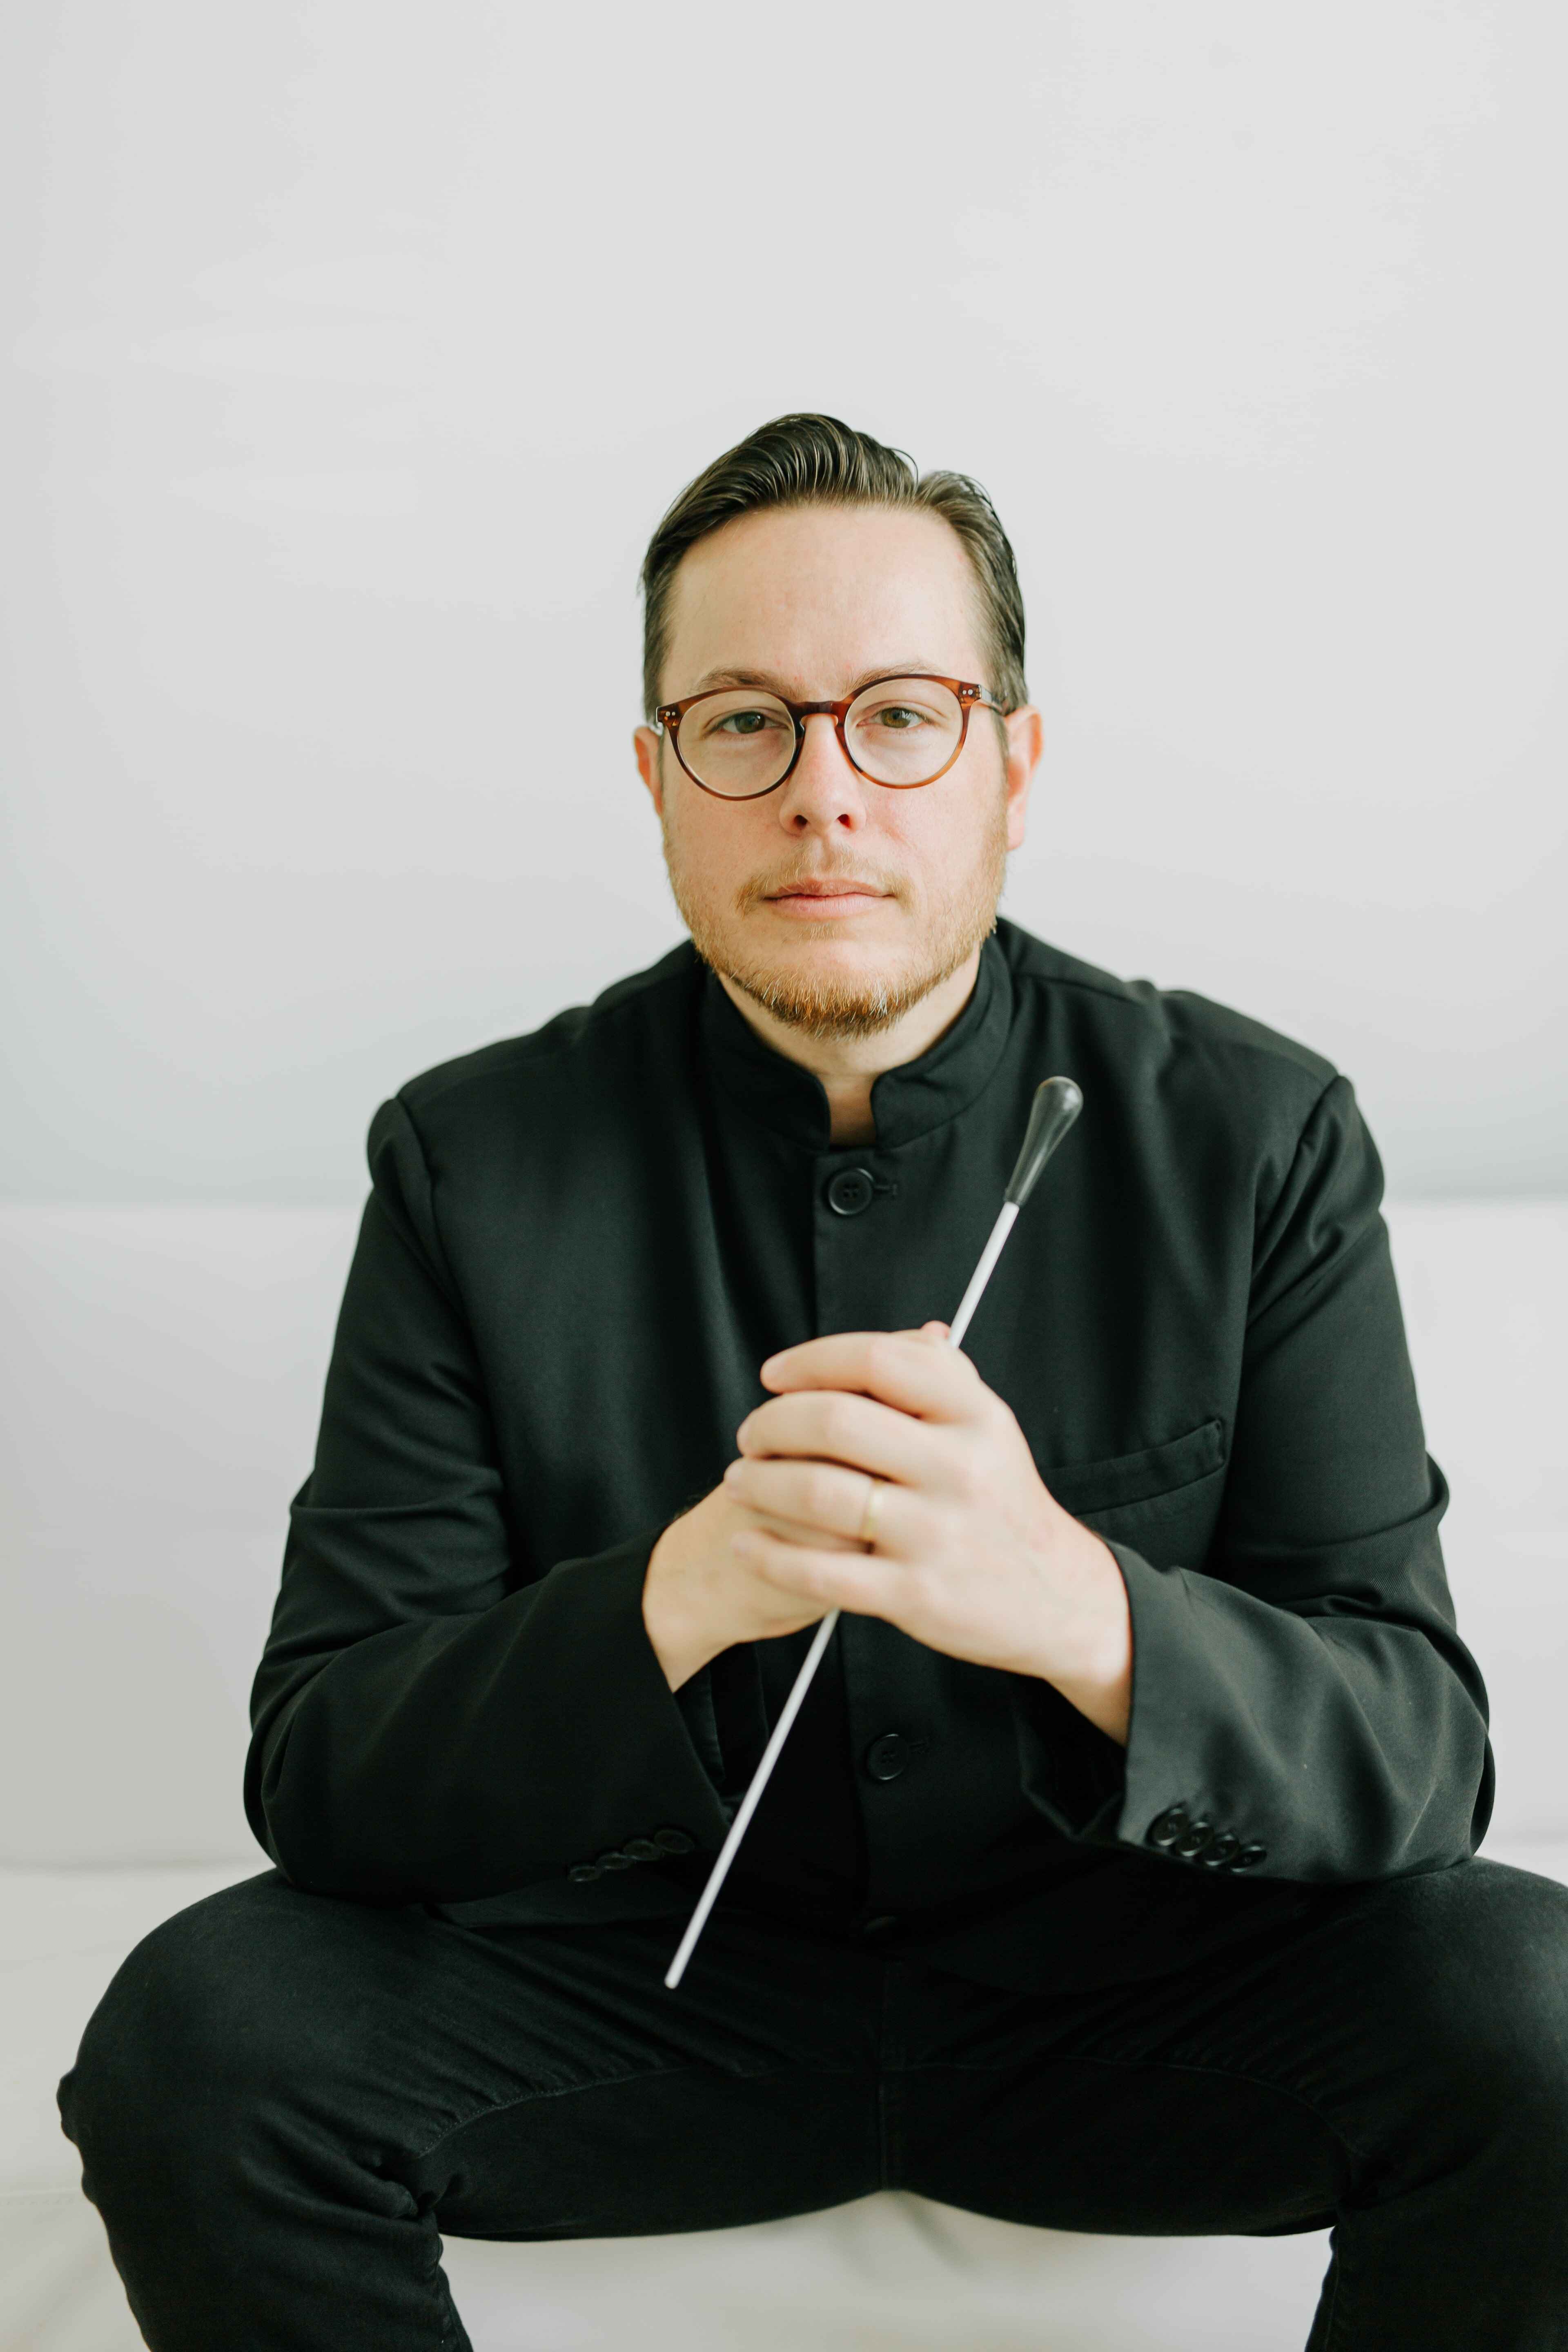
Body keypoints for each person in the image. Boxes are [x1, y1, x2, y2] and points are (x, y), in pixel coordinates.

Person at [59, 413, 1568, 2350]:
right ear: (657, 777)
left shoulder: (1253, 1136)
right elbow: (327, 1768)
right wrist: (680, 1598)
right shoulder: (470, 1158)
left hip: (1138, 2006)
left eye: (902, 717)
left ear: (1013, 765)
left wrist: (1076, 1608)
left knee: (1543, 2012)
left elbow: (1420, 1752)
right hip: (640, 2004)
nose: (824, 793)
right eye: (747, 723)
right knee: (202, 2038)